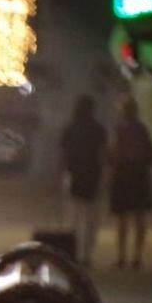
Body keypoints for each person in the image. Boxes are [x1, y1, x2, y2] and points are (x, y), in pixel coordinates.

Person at [107, 95, 152, 269]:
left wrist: (111, 172)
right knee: (139, 217)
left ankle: (121, 256)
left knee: (122, 218)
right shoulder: (142, 129)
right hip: (139, 174)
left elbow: (115, 152)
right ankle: (137, 256)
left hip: (124, 174)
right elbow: (151, 152)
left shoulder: (119, 129)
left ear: (123, 111)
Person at [58, 95, 108, 266]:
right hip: (93, 176)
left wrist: (57, 175)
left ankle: (71, 253)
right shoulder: (98, 129)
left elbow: (63, 155)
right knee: (91, 219)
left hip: (73, 176)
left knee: (73, 217)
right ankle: (86, 255)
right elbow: (103, 154)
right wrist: (105, 176)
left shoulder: (70, 129)